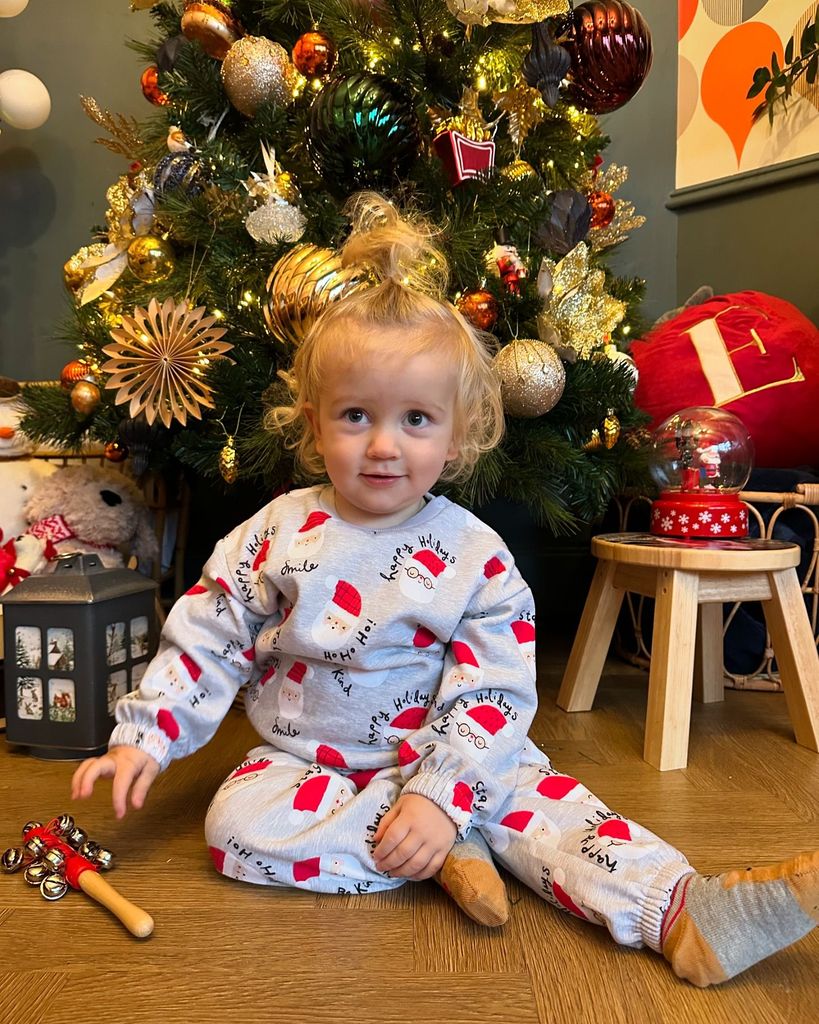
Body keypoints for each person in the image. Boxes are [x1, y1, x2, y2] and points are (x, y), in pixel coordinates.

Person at [72, 194, 818, 988]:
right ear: (312, 422)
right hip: (308, 765)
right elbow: (209, 634)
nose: (385, 445)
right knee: (233, 829)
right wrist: (146, 735)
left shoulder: (474, 555)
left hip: (456, 752)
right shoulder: (273, 533)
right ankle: (434, 851)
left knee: (550, 811)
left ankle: (679, 910)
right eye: (355, 415)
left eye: (417, 419)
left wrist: (443, 789)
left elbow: (492, 690)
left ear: (458, 432)